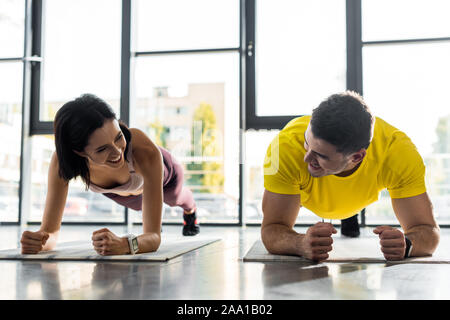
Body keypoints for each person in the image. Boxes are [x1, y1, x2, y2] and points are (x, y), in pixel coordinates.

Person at [262, 91, 440, 261]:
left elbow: (428, 231)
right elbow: (271, 229)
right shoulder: (283, 149)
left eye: (321, 155)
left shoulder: (398, 154)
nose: (306, 158)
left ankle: (350, 215)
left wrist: (408, 244)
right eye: (307, 143)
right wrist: (299, 244)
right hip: (305, 190)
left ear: (356, 157)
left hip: (359, 190)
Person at [20, 94, 200, 256]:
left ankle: (190, 211)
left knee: (175, 198)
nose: (117, 152)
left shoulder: (143, 150)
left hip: (166, 177)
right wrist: (39, 242)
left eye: (118, 137)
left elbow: (154, 237)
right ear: (79, 152)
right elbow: (50, 233)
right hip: (124, 194)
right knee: (141, 208)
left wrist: (125, 244)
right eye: (102, 149)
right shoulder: (63, 161)